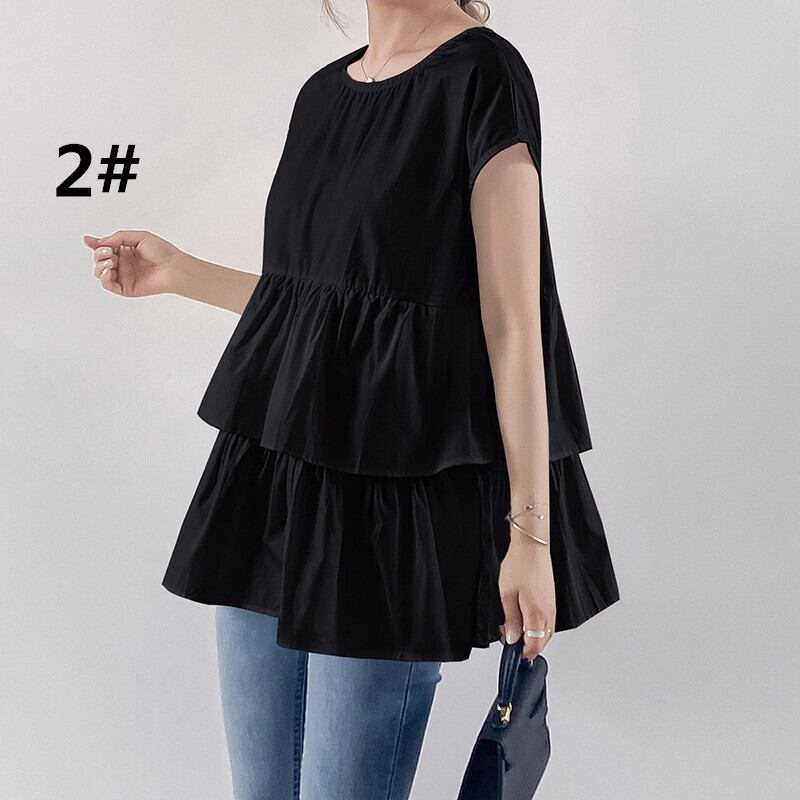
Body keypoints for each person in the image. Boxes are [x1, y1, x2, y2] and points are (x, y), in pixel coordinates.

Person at [84, 1, 619, 798]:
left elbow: (514, 326)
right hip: (271, 492)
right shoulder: (322, 95)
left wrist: (530, 536)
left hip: (386, 522)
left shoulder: (484, 75)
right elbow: (324, 310)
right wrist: (178, 273)